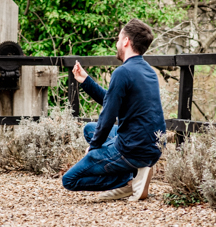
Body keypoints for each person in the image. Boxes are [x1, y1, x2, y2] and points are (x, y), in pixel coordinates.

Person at [62, 19, 166, 201]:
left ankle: (129, 179)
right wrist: (85, 81)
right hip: (153, 147)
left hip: (133, 148)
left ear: (126, 41)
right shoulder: (149, 71)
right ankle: (136, 171)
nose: (117, 43)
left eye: (118, 39)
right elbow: (111, 102)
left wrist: (93, 148)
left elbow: (108, 117)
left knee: (69, 180)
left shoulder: (122, 72)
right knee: (89, 129)